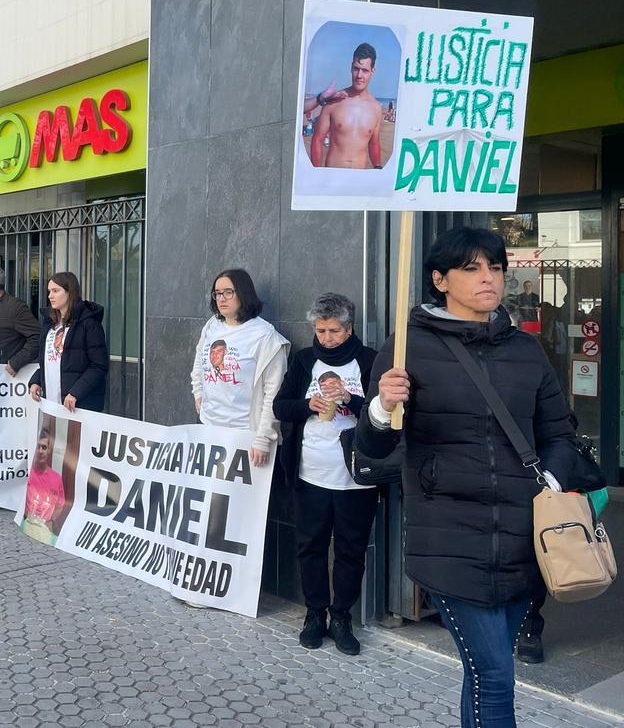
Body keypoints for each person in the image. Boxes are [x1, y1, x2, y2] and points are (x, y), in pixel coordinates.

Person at [357, 227, 585, 728]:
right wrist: (380, 407)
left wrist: (547, 480)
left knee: (486, 675)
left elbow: (561, 434)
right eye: (472, 268)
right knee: (497, 677)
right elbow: (371, 453)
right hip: (450, 539)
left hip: (526, 540)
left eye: (496, 267)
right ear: (439, 279)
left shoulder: (527, 351)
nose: (489, 278)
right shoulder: (406, 349)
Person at [273, 292, 378, 655]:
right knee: (311, 545)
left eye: (334, 331)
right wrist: (308, 405)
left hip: (356, 475)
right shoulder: (304, 360)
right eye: (320, 331)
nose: (327, 338)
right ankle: (314, 613)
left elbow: (386, 414)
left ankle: (342, 616)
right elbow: (280, 406)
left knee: (350, 549)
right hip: (309, 471)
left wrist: (352, 400)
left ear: (349, 329)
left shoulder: (368, 361)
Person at [191, 269, 289, 468]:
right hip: (209, 427)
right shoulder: (212, 326)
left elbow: (273, 391)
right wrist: (198, 393)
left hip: (245, 434)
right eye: (217, 293)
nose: (221, 298)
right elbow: (199, 364)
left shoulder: (264, 335)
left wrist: (263, 438)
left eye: (228, 292)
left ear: (243, 293)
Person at [28, 272, 108, 413]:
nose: (50, 296)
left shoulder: (89, 324)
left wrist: (76, 392)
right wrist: (36, 380)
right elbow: (48, 360)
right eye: (49, 291)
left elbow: (99, 365)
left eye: (55, 291)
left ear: (69, 292)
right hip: (52, 402)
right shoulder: (49, 323)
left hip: (79, 404)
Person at [309, 43, 384, 170]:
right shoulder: (335, 101)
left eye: (365, 70)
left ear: (373, 71)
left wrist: (378, 167)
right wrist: (316, 173)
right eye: (356, 69)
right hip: (332, 175)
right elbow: (317, 139)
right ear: (351, 68)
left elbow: (374, 144)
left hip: (359, 180)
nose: (359, 75)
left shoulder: (376, 108)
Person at [21, 425, 64, 545]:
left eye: (44, 447)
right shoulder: (25, 472)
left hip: (45, 531)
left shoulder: (57, 478)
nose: (40, 451)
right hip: (26, 526)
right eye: (37, 447)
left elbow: (60, 505)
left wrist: (51, 521)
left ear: (49, 450)